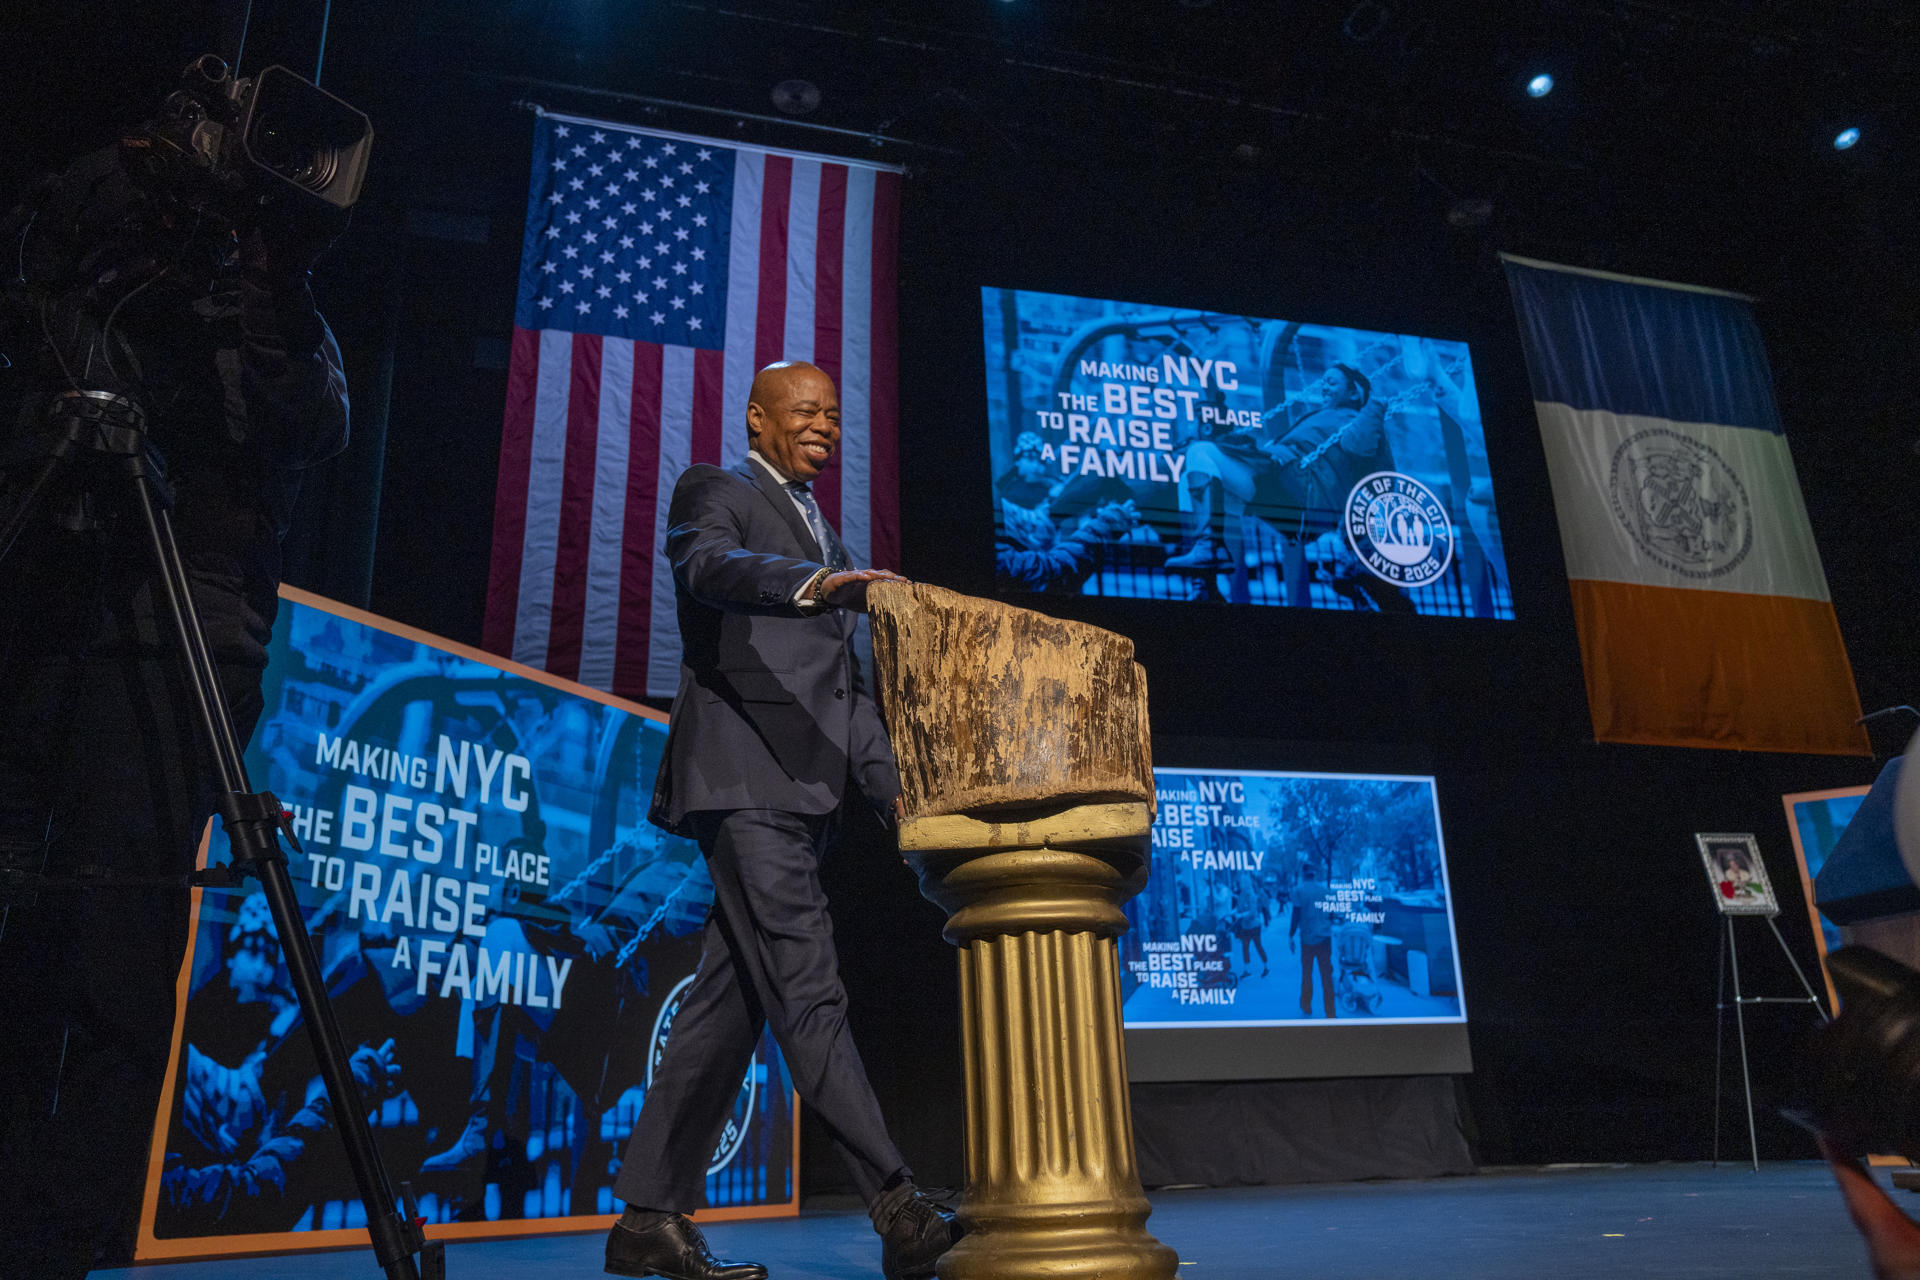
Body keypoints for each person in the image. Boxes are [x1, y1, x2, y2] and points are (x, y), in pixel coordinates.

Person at [0, 144, 348, 1279]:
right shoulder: (111, 296)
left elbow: (314, 423)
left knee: (120, 940)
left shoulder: (277, 332)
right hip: (53, 609)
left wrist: (272, 290)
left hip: (182, 641)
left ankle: (60, 1229)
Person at [603, 361, 959, 1280]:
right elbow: (708, 567)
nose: (824, 425)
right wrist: (816, 587)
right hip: (743, 785)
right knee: (809, 987)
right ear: (758, 420)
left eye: (834, 415)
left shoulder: (830, 539)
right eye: (804, 410)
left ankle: (647, 1220)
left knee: (726, 1010)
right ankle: (898, 1205)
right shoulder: (716, 494)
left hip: (807, 800)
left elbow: (853, 702)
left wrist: (901, 805)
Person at [1288, 861, 1337, 1019]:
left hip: (1307, 939)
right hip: (1324, 939)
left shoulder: (1298, 891)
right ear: (1315, 873)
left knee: (1307, 974)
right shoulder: (1326, 890)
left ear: (1303, 874)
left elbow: (1295, 915)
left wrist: (1290, 935)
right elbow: (1332, 915)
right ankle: (1330, 1012)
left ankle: (1306, 1005)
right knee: (1326, 975)